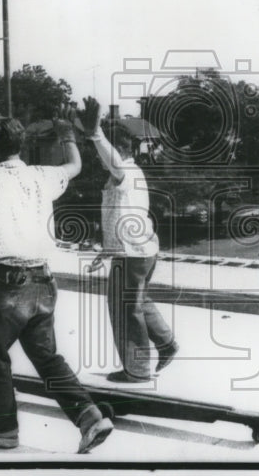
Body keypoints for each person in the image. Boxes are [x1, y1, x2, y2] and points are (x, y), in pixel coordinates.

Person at [0, 113, 113, 454]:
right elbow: (74, 165)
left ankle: (3, 430)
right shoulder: (42, 175)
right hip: (44, 281)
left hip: (9, 286)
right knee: (46, 357)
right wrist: (67, 133)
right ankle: (89, 416)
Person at [77, 97, 178, 383]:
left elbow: (110, 158)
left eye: (104, 152)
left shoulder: (124, 171)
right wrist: (107, 251)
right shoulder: (127, 173)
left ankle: (138, 369)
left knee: (125, 309)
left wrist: (95, 133)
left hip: (133, 254)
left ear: (118, 149)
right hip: (137, 250)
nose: (100, 159)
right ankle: (166, 342)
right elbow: (120, 217)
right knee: (137, 300)